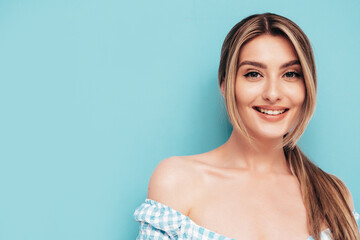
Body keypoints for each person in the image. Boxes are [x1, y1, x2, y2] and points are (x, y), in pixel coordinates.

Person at [133, 12, 360, 240]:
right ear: (226, 85)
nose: (272, 93)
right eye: (254, 74)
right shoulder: (177, 181)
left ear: (307, 87)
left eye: (290, 74)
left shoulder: (334, 195)